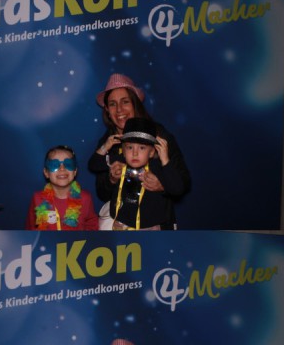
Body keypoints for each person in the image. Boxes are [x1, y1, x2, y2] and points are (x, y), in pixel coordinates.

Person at [88, 72, 190, 227]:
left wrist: (162, 186)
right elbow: (102, 193)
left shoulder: (158, 136)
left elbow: (183, 182)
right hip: (122, 223)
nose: (119, 110)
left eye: (125, 102)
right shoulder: (108, 143)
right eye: (113, 104)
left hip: (156, 224)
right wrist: (112, 180)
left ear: (135, 104)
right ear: (107, 110)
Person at [100, 116, 189, 230]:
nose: (135, 153)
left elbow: (178, 189)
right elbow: (94, 164)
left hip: (149, 228)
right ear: (124, 150)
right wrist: (112, 179)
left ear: (152, 152)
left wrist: (165, 160)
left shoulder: (157, 168)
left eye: (142, 148)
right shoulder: (120, 164)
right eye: (130, 147)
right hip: (121, 226)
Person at [26, 145, 99, 231]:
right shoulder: (38, 198)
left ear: (75, 171)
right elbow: (31, 228)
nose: (62, 168)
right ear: (46, 173)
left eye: (68, 164)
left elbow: (92, 224)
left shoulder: (85, 198)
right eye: (54, 165)